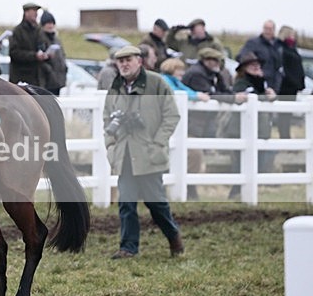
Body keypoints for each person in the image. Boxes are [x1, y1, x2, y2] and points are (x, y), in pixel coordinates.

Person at [103, 45, 183, 259]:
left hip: (149, 154)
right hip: (124, 154)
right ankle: (128, 248)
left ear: (140, 61)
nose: (124, 64)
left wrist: (157, 143)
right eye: (120, 61)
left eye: (128, 59)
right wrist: (111, 144)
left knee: (156, 204)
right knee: (126, 203)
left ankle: (174, 237)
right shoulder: (116, 87)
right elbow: (107, 118)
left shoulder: (157, 83)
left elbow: (171, 116)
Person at [181, 47, 247, 199]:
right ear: (206, 61)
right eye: (215, 60)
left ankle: (190, 191)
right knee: (193, 156)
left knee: (195, 156)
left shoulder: (214, 74)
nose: (218, 63)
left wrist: (235, 96)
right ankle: (189, 192)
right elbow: (210, 94)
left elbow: (223, 90)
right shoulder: (197, 74)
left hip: (203, 123)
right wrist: (233, 99)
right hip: (191, 123)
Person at [225, 52, 278, 198]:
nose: (256, 66)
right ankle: (236, 193)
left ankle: (244, 193)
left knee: (257, 162)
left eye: (257, 64)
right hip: (241, 129)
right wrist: (266, 96)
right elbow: (250, 97)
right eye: (252, 64)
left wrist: (272, 96)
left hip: (260, 129)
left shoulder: (262, 82)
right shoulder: (242, 82)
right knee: (241, 164)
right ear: (244, 68)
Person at [237, 20, 283, 94]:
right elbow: (241, 57)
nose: (267, 31)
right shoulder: (253, 43)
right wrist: (254, 69)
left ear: (274, 30)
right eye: (265, 28)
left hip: (274, 84)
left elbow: (279, 66)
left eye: (270, 29)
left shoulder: (278, 45)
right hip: (258, 82)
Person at [276, 25, 305, 139]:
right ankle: (284, 137)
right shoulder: (281, 48)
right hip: (285, 87)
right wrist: (293, 81)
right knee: (283, 114)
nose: (293, 37)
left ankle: (286, 136)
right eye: (292, 35)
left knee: (288, 114)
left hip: (293, 87)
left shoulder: (292, 48)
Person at [9, 2, 45, 87]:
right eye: (33, 11)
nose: (36, 14)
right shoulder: (18, 31)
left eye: (36, 11)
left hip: (36, 78)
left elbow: (42, 45)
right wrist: (34, 56)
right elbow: (14, 53)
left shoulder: (39, 30)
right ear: (26, 13)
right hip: (21, 78)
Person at [39, 11, 68, 94]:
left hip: (59, 79)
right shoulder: (40, 38)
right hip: (47, 81)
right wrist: (49, 71)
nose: (50, 25)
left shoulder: (56, 39)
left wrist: (65, 67)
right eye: (48, 23)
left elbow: (62, 55)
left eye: (52, 23)